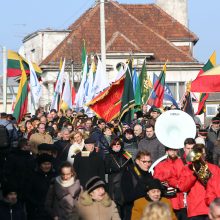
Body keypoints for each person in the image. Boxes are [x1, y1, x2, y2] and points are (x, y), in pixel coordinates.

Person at [170, 144, 220, 219]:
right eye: (198, 153)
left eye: (202, 153)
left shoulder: (215, 168)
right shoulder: (187, 169)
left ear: (205, 154)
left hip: (212, 209)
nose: (200, 156)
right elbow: (183, 187)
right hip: (195, 210)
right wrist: (194, 174)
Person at [154, 147, 187, 219]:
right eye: (171, 150)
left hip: (183, 200)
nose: (173, 152)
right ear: (166, 151)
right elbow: (155, 179)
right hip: (169, 199)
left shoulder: (183, 163)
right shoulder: (160, 165)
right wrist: (168, 175)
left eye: (175, 150)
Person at [105, 138, 133, 217]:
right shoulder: (108, 155)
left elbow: (132, 166)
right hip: (113, 181)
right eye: (114, 145)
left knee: (125, 202)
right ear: (112, 146)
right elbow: (106, 169)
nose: (116, 146)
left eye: (118, 144)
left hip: (124, 180)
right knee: (115, 203)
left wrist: (127, 170)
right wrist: (112, 169)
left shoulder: (126, 154)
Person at [121, 150, 153, 220]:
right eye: (144, 161)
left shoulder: (149, 174)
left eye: (149, 162)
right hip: (132, 212)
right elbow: (127, 197)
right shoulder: (128, 173)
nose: (147, 164)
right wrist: (146, 192)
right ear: (137, 161)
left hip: (146, 212)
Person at [25, 154, 57, 220]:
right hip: (36, 210)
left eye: (48, 164)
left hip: (51, 211)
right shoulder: (33, 176)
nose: (47, 166)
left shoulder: (55, 176)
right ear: (40, 165)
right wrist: (37, 204)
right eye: (44, 164)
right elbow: (27, 193)